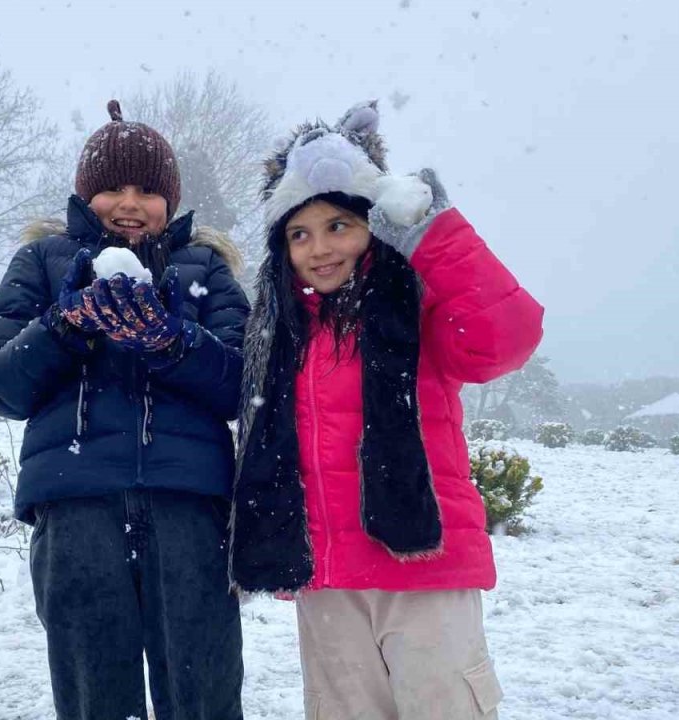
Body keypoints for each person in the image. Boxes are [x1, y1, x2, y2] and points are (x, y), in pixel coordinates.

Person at [230, 101, 544, 719]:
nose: (320, 248)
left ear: (376, 223)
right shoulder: (276, 333)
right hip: (327, 579)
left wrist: (435, 232)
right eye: (300, 232)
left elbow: (507, 338)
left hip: (425, 566)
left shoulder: (418, 305)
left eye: (340, 224)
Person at [0, 100, 248, 720]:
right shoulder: (41, 263)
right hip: (75, 508)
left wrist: (175, 344)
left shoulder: (206, 270)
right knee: (96, 693)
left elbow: (244, 387)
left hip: (190, 509)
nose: (130, 203)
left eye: (148, 189)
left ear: (170, 201)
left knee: (202, 687)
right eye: (112, 188)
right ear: (84, 194)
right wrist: (64, 326)